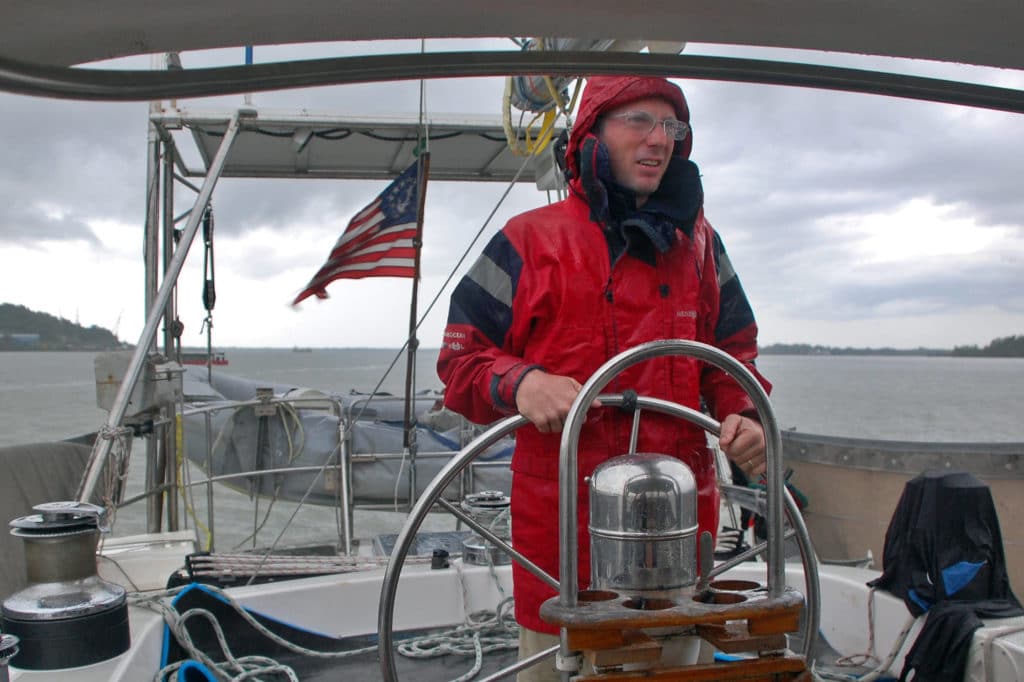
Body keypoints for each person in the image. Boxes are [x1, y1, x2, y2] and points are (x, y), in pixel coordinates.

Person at [437, 75, 771, 681]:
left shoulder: (701, 246)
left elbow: (733, 354)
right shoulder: (526, 242)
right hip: (561, 545)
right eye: (639, 121)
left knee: (677, 668)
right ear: (593, 132)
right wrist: (522, 383)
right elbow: (460, 365)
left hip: (678, 535)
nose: (659, 140)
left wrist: (744, 413)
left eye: (672, 127)